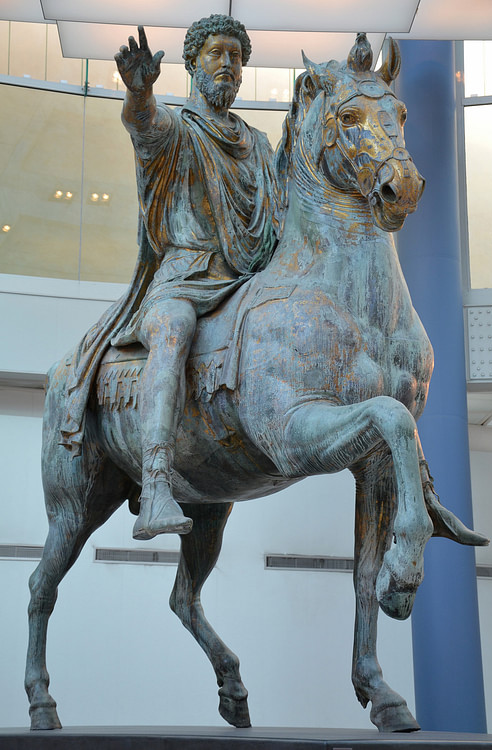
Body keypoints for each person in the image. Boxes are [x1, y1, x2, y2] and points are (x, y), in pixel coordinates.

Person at [60, 15, 280, 541]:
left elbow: (283, 217)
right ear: (193, 63)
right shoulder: (177, 128)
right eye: (216, 54)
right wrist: (138, 93)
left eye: (236, 56)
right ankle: (156, 482)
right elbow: (143, 124)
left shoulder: (259, 144)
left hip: (246, 282)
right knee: (174, 328)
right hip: (185, 278)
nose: (227, 64)